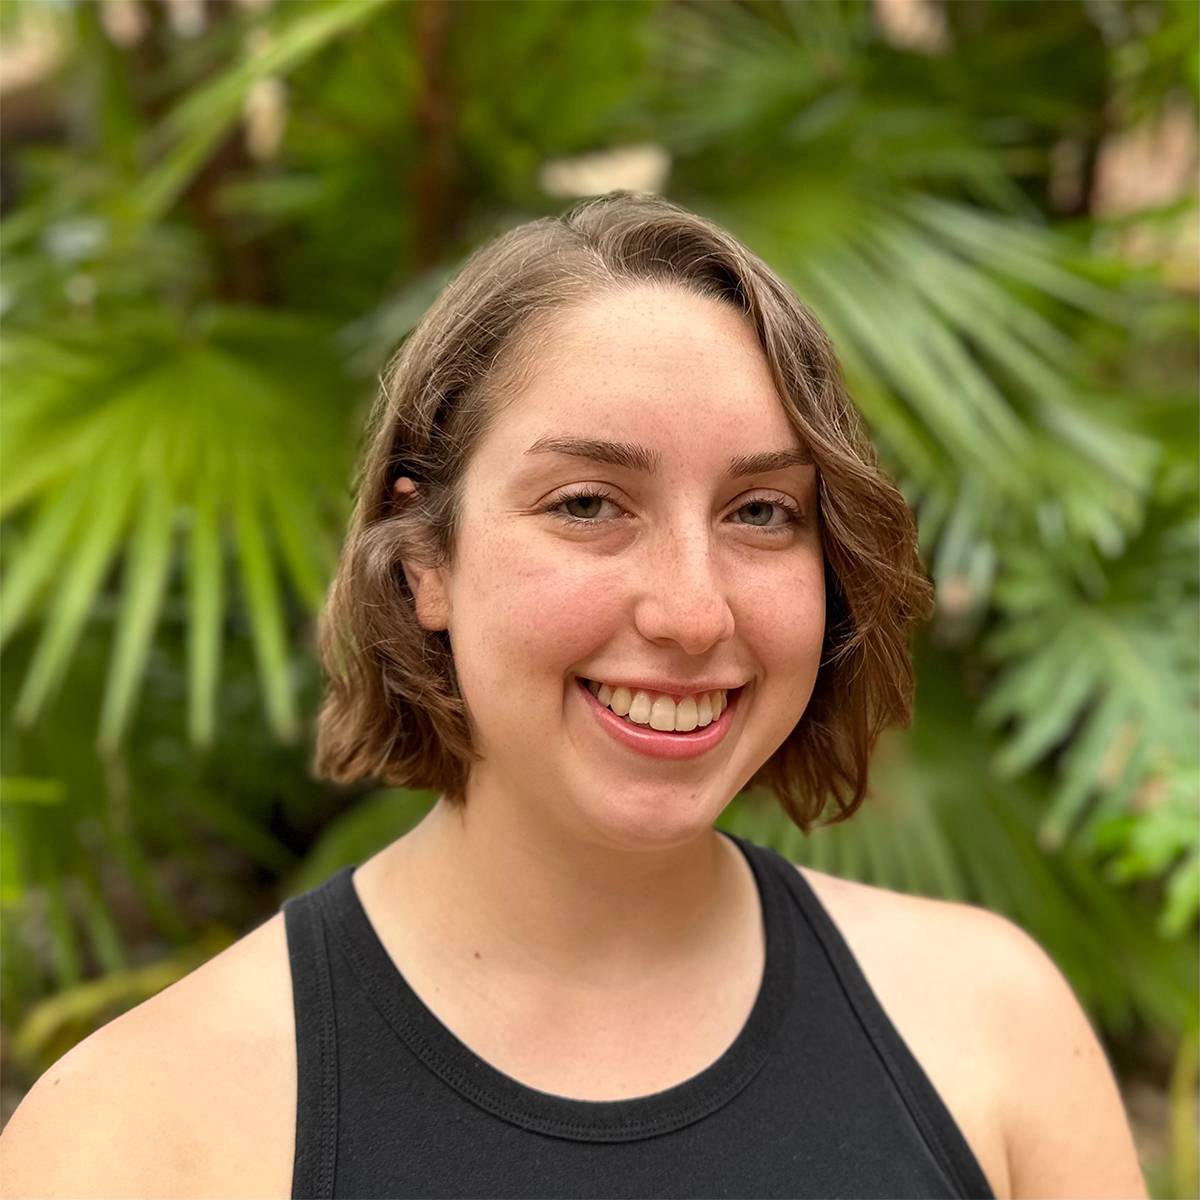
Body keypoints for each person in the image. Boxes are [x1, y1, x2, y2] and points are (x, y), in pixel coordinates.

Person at [0, 192, 1147, 1200]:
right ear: (424, 561)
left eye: (761, 513)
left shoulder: (991, 1026)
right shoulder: (138, 1131)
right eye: (589, 504)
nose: (694, 614)